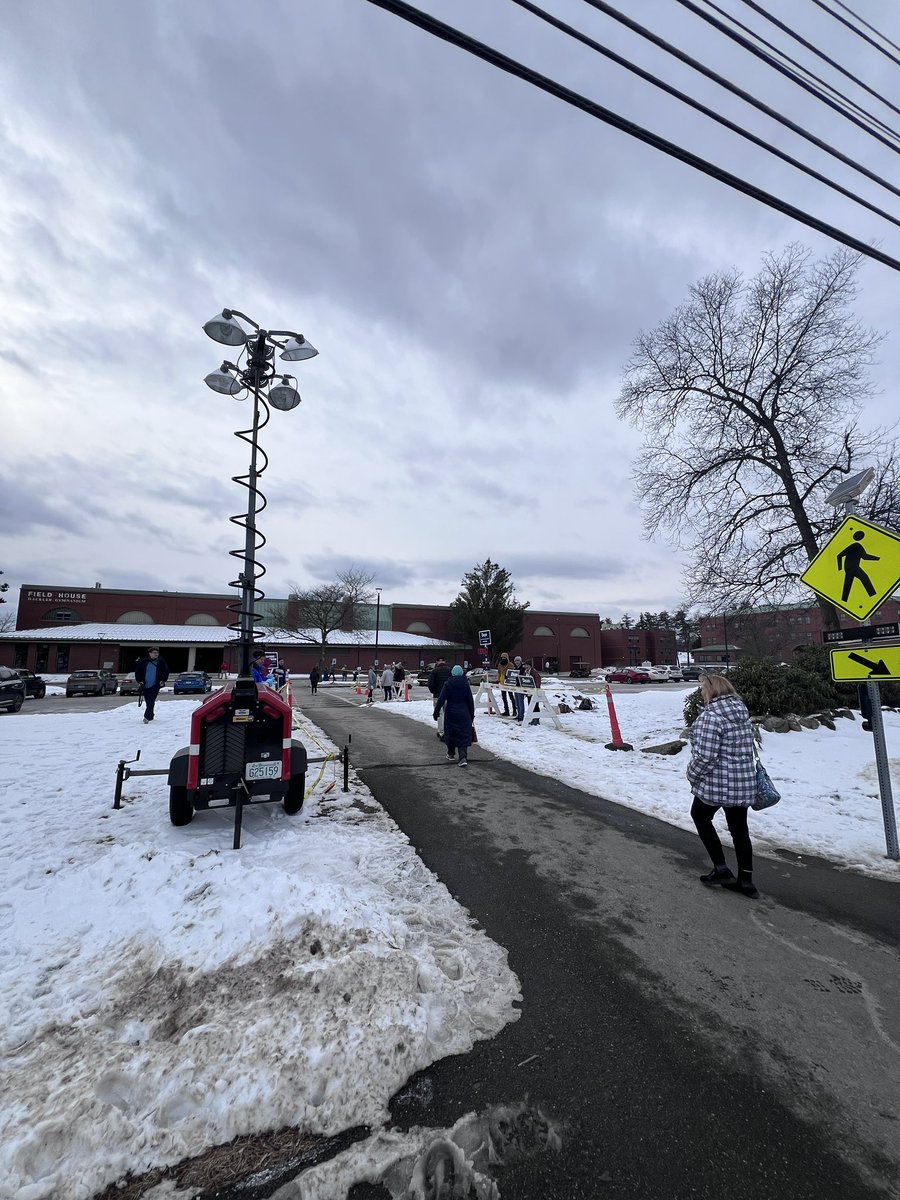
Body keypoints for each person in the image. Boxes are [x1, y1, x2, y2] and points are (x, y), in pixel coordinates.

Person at [687, 672, 759, 897]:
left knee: (700, 816)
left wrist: (692, 774)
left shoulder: (711, 717)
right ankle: (746, 880)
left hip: (718, 784)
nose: (701, 693)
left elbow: (706, 757)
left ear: (712, 690)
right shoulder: (741, 711)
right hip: (743, 783)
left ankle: (721, 868)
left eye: (702, 689)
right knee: (740, 830)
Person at [433, 664, 475, 767]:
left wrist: (436, 712)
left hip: (451, 712)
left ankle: (451, 753)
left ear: (452, 673)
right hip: (464, 712)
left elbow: (441, 700)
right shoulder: (465, 684)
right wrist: (471, 714)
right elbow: (470, 700)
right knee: (463, 734)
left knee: (451, 733)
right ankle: (462, 757)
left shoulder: (448, 684)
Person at [135, 647, 169, 724]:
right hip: (145, 684)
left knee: (151, 700)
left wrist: (163, 680)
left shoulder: (161, 662)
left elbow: (166, 671)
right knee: (148, 701)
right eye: (154, 653)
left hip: (155, 684)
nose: (156, 654)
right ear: (150, 653)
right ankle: (151, 715)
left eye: (157, 653)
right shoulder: (143, 661)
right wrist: (140, 681)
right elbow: (138, 672)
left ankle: (146, 717)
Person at [427, 658, 452, 739]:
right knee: (447, 714)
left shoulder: (435, 671)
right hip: (448, 696)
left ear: (437, 662)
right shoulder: (450, 670)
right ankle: (448, 731)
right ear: (444, 662)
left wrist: (433, 691)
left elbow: (430, 684)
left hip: (438, 695)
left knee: (440, 714)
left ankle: (442, 732)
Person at [497, 652, 514, 717]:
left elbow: (513, 673)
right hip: (502, 683)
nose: (503, 659)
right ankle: (506, 710)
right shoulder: (500, 664)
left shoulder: (510, 665)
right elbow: (498, 672)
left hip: (509, 683)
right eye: (502, 658)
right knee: (504, 697)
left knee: (511, 697)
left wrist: (509, 677)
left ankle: (514, 710)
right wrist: (498, 679)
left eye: (504, 658)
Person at [511, 656, 526, 722]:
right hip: (515, 687)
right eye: (515, 661)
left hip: (520, 687)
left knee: (520, 701)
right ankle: (518, 714)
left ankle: (521, 715)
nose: (516, 662)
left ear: (520, 661)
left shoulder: (522, 669)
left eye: (518, 661)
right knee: (517, 701)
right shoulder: (515, 669)